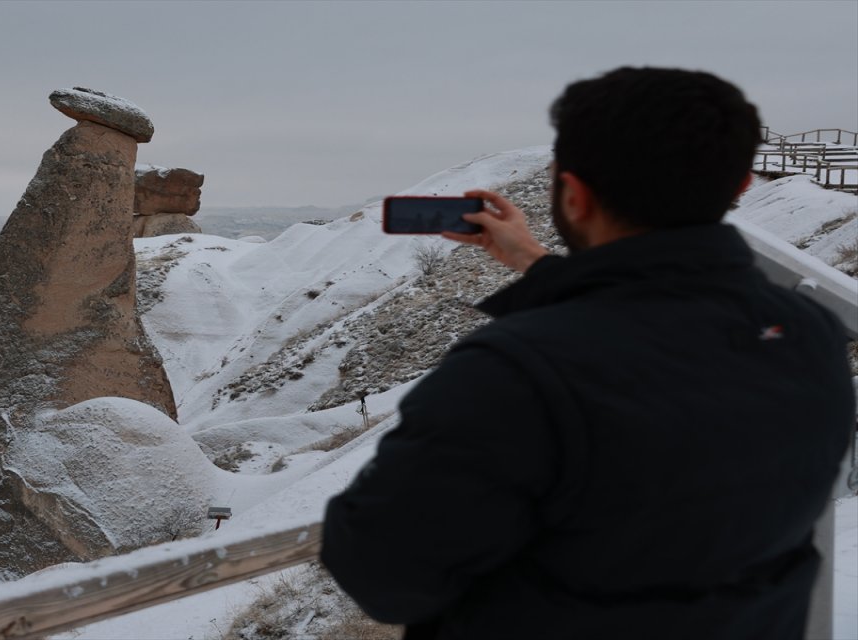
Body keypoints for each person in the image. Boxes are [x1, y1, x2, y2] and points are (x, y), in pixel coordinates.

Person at [321, 67, 854, 640]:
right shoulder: (810, 333)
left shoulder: (513, 373)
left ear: (573, 195)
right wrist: (533, 261)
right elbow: (659, 324)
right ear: (744, 185)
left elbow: (383, 573)